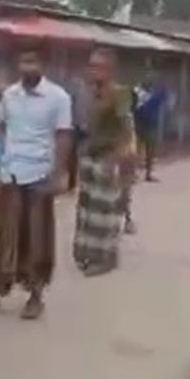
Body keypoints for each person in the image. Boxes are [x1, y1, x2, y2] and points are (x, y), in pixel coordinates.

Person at [0, 49, 71, 320]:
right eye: (23, 61)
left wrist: (59, 173)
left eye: (32, 61)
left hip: (39, 175)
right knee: (1, 236)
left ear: (43, 65)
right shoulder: (10, 95)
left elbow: (63, 136)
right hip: (10, 173)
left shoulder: (58, 97)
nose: (26, 67)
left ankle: (35, 296)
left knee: (38, 238)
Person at [72, 48, 135, 277]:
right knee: (88, 210)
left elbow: (126, 131)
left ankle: (107, 258)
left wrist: (116, 160)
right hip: (90, 155)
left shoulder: (120, 94)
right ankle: (88, 254)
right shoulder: (90, 93)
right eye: (91, 65)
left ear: (110, 69)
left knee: (105, 213)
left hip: (108, 158)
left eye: (99, 66)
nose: (94, 70)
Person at [133, 76, 166, 182]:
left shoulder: (143, 96)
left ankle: (143, 174)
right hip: (145, 126)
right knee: (144, 151)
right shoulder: (149, 96)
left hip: (145, 126)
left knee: (144, 151)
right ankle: (144, 174)